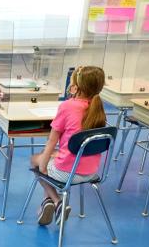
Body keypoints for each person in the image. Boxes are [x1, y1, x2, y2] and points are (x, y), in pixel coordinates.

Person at [29, 66, 107, 225]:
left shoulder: (67, 106)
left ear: (76, 87)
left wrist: (43, 165)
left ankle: (57, 201)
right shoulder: (98, 108)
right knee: (51, 155)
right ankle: (47, 203)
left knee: (36, 160)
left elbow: (52, 140)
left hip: (67, 173)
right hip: (92, 171)